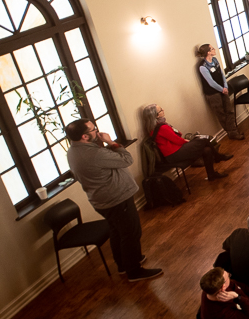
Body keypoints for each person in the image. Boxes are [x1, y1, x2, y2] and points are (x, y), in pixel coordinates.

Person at [65, 119, 161, 281]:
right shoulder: (95, 154)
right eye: (93, 129)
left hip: (102, 201)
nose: (97, 130)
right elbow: (127, 160)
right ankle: (134, 271)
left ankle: (123, 264)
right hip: (116, 200)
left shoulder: (73, 151)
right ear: (85, 137)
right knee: (130, 233)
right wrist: (110, 142)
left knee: (117, 232)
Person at [142, 104, 229, 181]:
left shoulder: (154, 128)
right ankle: (218, 157)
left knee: (207, 150)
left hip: (172, 153)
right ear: (156, 116)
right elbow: (177, 138)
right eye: (161, 110)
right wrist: (186, 141)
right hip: (175, 154)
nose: (163, 110)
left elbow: (177, 134)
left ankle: (212, 175)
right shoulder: (162, 127)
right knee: (204, 140)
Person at [195, 44, 244, 140]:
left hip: (223, 90)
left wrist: (225, 86)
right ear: (208, 52)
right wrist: (221, 89)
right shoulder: (203, 67)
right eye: (212, 49)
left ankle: (233, 131)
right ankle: (232, 133)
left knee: (229, 111)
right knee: (221, 114)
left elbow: (221, 73)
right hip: (213, 94)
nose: (214, 49)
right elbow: (211, 82)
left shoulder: (215, 60)